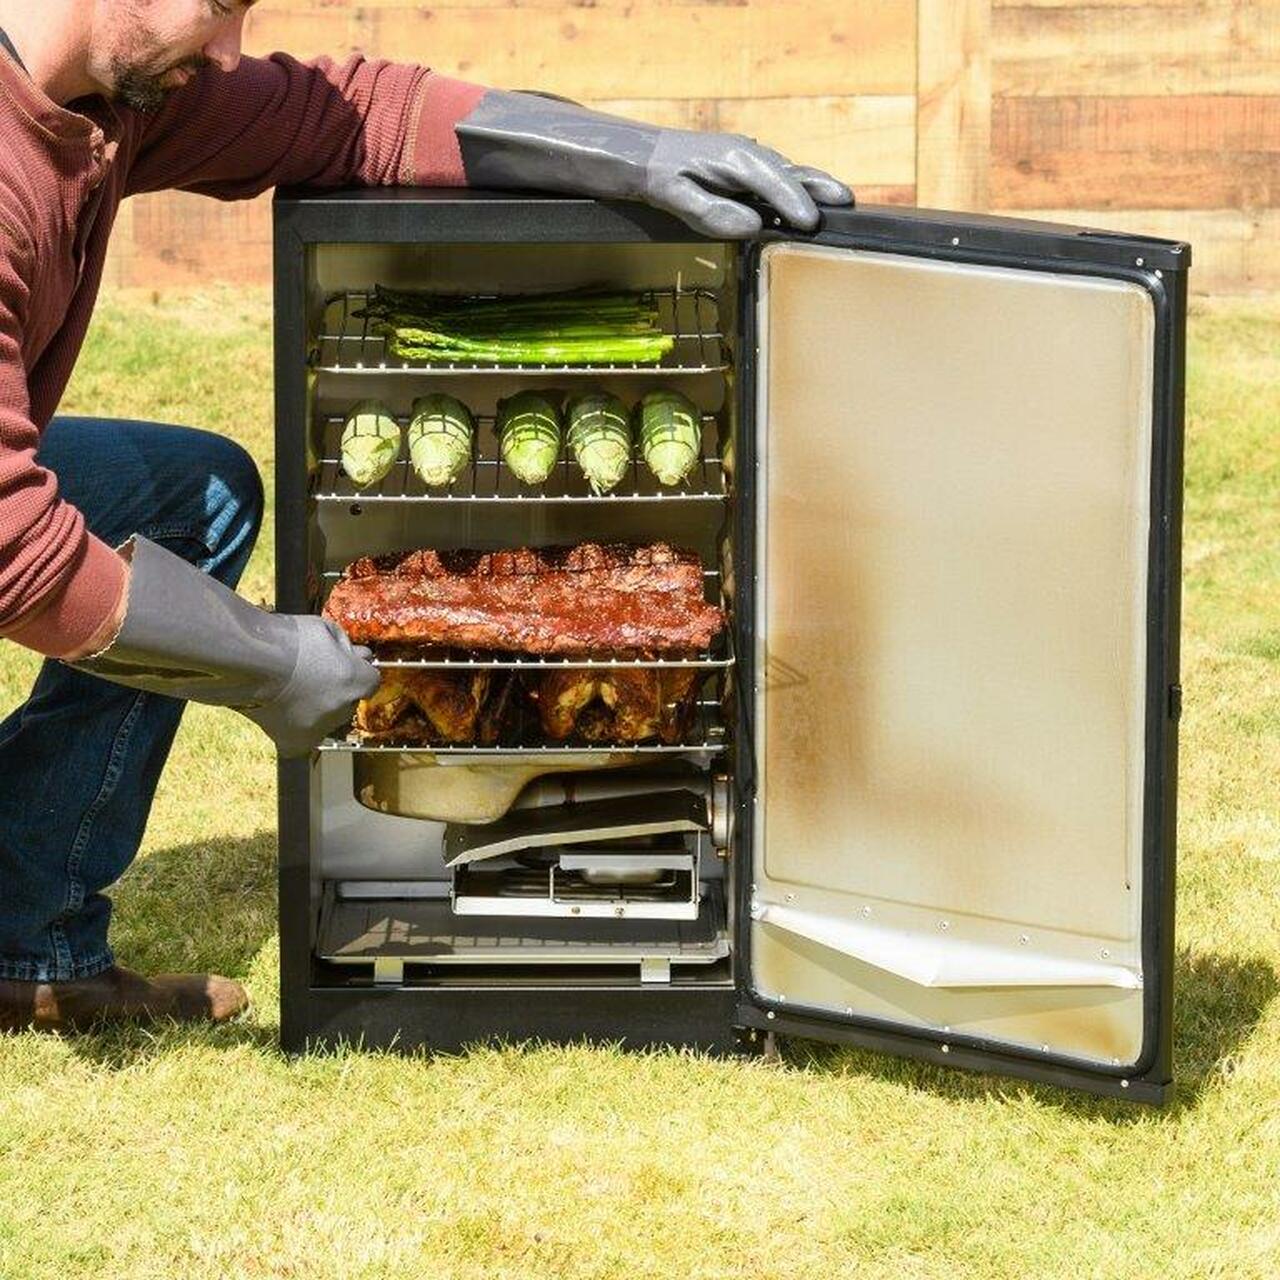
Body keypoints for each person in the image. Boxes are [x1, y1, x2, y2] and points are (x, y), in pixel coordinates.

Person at [0, 0, 852, 1032]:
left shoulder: (107, 99)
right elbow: (12, 543)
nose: (227, 51)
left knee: (193, 495)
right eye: (219, 8)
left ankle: (26, 949)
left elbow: (358, 113)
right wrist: (266, 659)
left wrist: (630, 153)